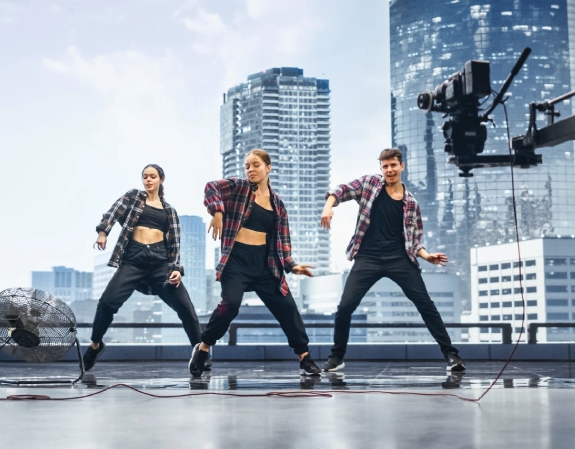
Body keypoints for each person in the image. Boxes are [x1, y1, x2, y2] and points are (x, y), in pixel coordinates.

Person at [319, 148, 466, 373]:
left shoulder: (411, 204)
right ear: (381, 169)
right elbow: (341, 190)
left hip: (399, 259)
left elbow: (414, 241)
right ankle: (337, 357)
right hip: (367, 257)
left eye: (393, 166)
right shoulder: (369, 185)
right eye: (385, 166)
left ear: (402, 167)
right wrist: (328, 207)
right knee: (345, 307)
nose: (389, 170)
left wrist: (427, 256)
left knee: (426, 305)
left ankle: (452, 356)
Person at [190, 149, 319, 377]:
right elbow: (211, 186)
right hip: (236, 261)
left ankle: (305, 358)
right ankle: (203, 349)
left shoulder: (278, 204)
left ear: (268, 168)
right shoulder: (239, 187)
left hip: (264, 264)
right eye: (247, 165)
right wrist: (217, 212)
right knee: (230, 305)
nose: (251, 169)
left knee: (287, 308)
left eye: (256, 165)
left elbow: (282, 240)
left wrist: (291, 265)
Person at [85, 164, 202, 370]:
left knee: (186, 309)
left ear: (161, 180)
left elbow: (174, 245)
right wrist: (103, 232)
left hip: (160, 263)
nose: (148, 180)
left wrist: (176, 269)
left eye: (153, 176)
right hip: (133, 260)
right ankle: (95, 345)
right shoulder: (133, 198)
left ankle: (200, 354)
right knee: (106, 303)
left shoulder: (169, 211)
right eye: (145, 177)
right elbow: (113, 211)